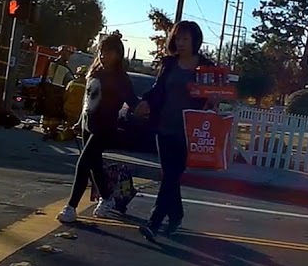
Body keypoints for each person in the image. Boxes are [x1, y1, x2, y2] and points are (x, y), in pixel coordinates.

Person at [133, 20, 215, 240]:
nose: (180, 43)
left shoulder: (205, 66)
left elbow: (215, 95)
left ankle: (155, 221)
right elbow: (158, 88)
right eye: (178, 38)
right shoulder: (169, 63)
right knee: (170, 175)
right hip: (164, 126)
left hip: (189, 131)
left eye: (185, 38)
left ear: (195, 40)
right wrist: (145, 101)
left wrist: (216, 99)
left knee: (171, 175)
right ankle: (176, 214)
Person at [57, 32, 138, 224]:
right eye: (101, 51)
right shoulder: (95, 72)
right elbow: (88, 99)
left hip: (105, 127)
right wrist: (78, 122)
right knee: (94, 165)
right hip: (88, 123)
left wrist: (146, 108)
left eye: (109, 52)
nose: (103, 56)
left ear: (118, 54)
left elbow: (133, 101)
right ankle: (107, 198)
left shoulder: (121, 78)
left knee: (84, 163)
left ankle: (71, 207)